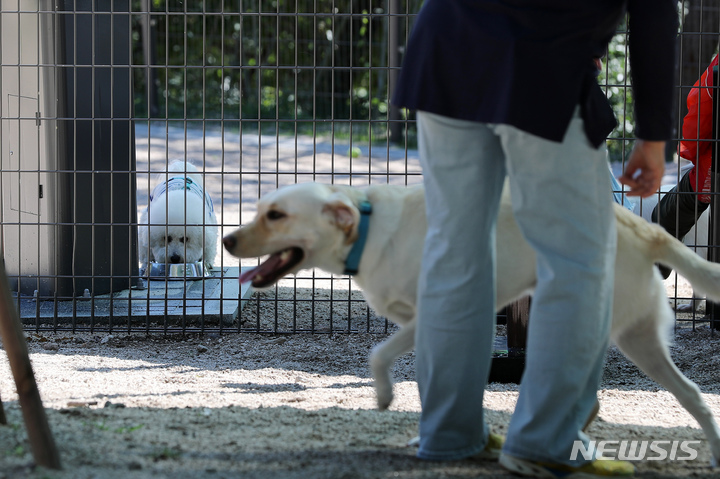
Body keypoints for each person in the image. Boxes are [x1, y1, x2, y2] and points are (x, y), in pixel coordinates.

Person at [392, 1, 677, 477]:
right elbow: (655, 13)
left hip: (445, 46)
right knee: (579, 261)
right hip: (543, 61)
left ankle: (447, 434)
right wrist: (652, 135)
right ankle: (545, 441)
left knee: (454, 252)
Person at [652, 54, 718, 278]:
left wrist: (691, 153)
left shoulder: (716, 69)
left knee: (663, 218)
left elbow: (696, 127)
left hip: (711, 175)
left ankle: (644, 286)